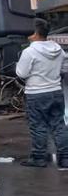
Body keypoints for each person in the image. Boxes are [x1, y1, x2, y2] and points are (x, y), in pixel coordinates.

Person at [15, 18, 68, 168]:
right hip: (56, 92)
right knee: (59, 125)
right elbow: (64, 68)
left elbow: (21, 73)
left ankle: (38, 158)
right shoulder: (58, 49)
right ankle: (65, 158)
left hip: (36, 94)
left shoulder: (29, 52)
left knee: (38, 126)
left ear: (34, 33)